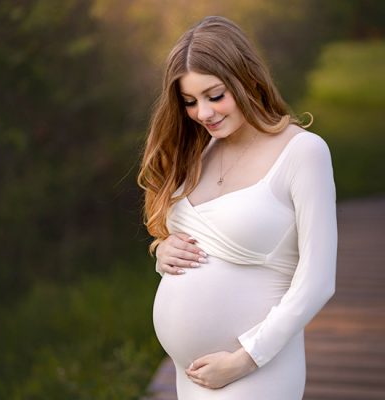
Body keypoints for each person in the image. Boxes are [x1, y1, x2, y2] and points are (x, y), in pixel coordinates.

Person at [137, 15, 337, 399]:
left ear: (247, 80)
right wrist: (163, 250)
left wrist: (246, 358)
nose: (204, 113)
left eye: (215, 96)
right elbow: (193, 237)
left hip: (256, 370)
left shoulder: (303, 152)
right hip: (190, 376)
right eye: (190, 102)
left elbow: (317, 282)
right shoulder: (199, 151)